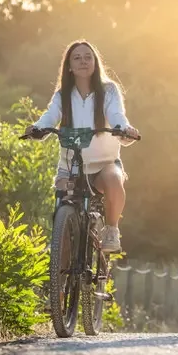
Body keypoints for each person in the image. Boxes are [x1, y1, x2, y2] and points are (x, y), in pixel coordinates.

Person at [24, 40, 140, 253]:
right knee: (62, 213)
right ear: (69, 65)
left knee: (114, 179)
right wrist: (38, 128)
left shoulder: (109, 90)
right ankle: (60, 264)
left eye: (88, 57)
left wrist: (124, 128)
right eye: (77, 57)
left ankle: (112, 229)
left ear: (95, 63)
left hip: (104, 164)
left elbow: (116, 114)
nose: (83, 61)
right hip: (71, 166)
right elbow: (50, 116)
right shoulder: (63, 95)